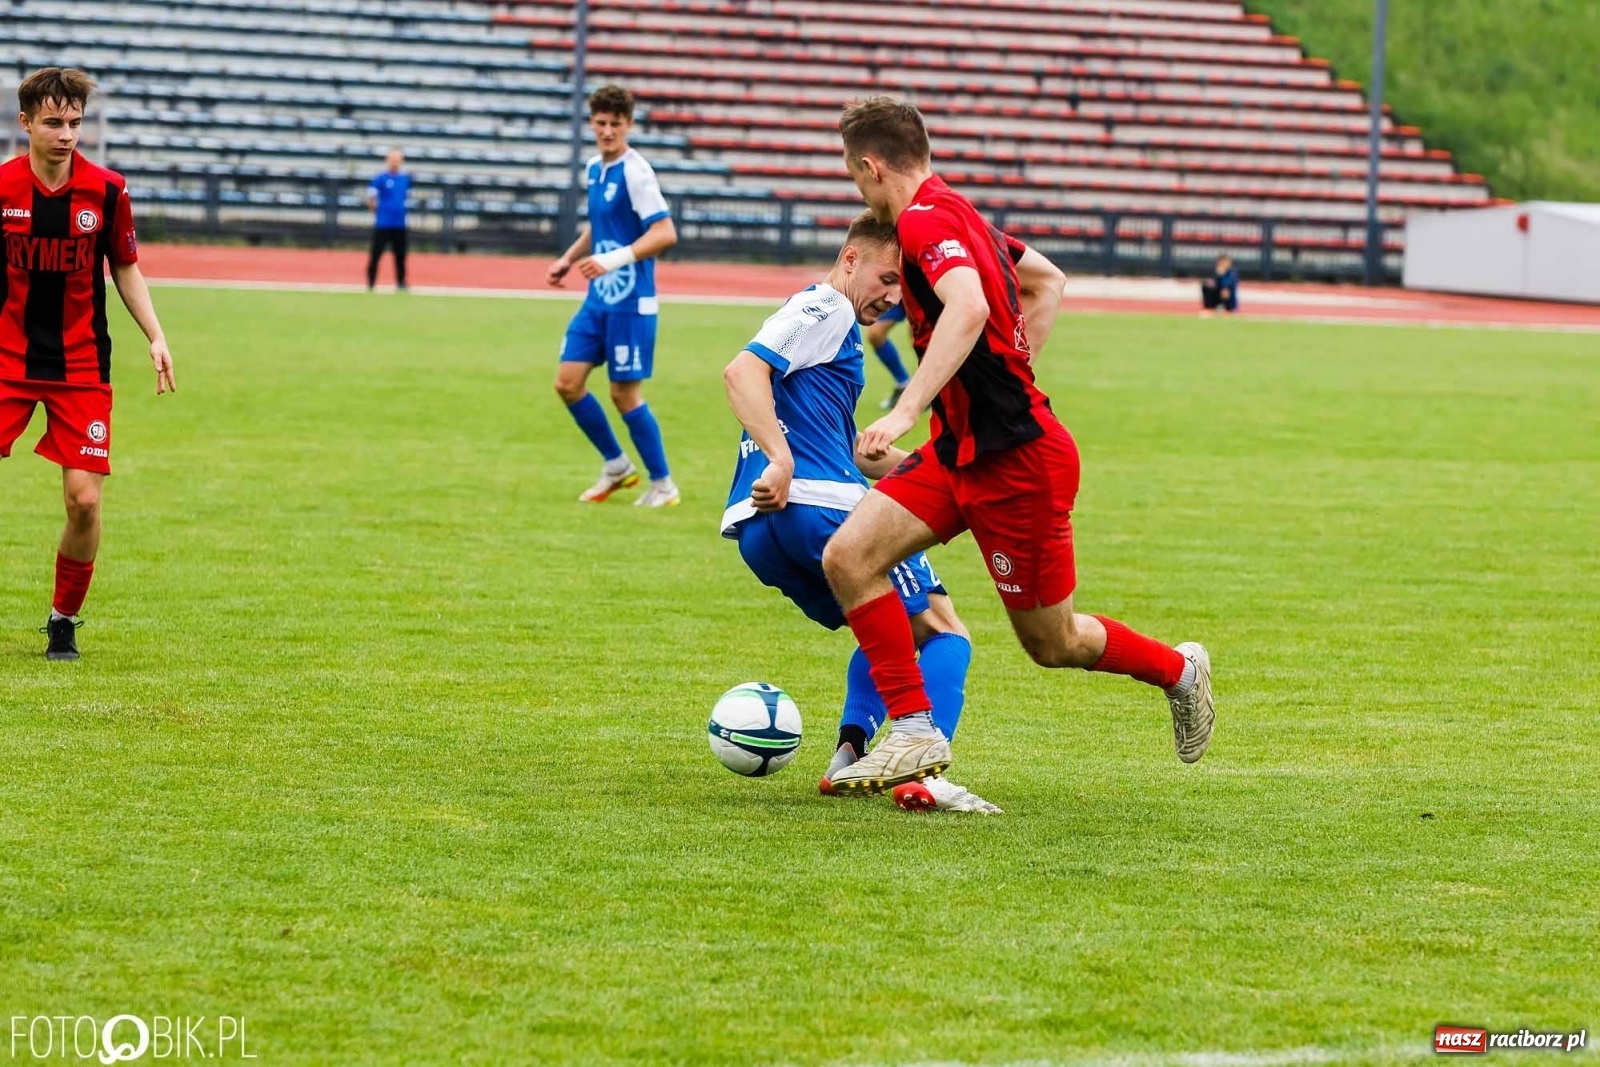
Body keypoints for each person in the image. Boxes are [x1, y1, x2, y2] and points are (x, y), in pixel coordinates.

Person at [820, 97, 1214, 793]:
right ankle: (912, 728)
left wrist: (908, 406)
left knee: (1052, 642)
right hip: (960, 451)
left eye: (855, 178)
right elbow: (1048, 280)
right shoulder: (963, 213)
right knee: (849, 556)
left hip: (1019, 463)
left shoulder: (922, 221)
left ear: (871, 166)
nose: (859, 190)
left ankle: (1179, 670)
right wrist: (1005, 367)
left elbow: (969, 305)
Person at [722, 212, 998, 813]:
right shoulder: (828, 307)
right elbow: (742, 371)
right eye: (888, 279)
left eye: (904, 289)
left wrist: (930, 475)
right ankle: (922, 772)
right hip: (824, 512)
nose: (894, 297)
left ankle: (849, 755)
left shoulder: (823, 324)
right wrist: (780, 458)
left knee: (885, 627)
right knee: (946, 631)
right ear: (850, 259)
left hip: (765, 532)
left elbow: (835, 443)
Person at [0, 67, 176, 661]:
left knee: (84, 501)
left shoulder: (106, 190)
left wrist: (155, 335)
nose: (67, 134)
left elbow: (125, 266)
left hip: (81, 367)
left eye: (75, 122)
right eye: (54, 122)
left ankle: (63, 620)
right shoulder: (2, 189)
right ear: (26, 123)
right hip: (6, 361)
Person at [547, 84, 680, 507]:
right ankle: (617, 466)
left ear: (628, 125)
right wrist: (569, 258)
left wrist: (615, 259)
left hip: (631, 302)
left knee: (624, 394)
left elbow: (664, 232)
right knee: (567, 383)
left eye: (615, 124)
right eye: (601, 123)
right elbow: (600, 226)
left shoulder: (637, 173)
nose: (607, 131)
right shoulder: (594, 168)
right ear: (592, 123)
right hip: (598, 298)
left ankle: (663, 485)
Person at [365, 148, 411, 291]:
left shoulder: (405, 179)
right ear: (387, 160)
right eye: (392, 159)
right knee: (376, 253)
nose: (394, 163)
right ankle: (371, 282)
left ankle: (401, 282)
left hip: (400, 223)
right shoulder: (380, 178)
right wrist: (377, 212)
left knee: (400, 255)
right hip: (383, 223)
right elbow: (370, 198)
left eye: (397, 160)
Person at [864, 301, 911, 409]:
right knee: (875, 334)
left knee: (918, 335)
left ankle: (928, 390)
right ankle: (904, 383)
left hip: (923, 290)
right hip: (900, 293)